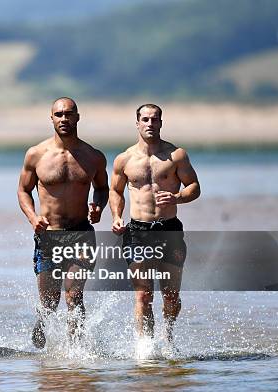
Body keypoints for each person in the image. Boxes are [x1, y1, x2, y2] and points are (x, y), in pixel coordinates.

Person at [18, 97, 109, 348]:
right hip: (48, 235)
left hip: (80, 233)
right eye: (59, 115)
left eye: (69, 114)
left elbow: (102, 188)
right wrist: (33, 217)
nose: (64, 119)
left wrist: (98, 206)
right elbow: (23, 191)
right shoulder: (36, 155)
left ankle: (75, 353)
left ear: (78, 117)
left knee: (73, 294)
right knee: (49, 302)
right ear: (52, 119)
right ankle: (42, 319)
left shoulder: (93, 157)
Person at [109, 103, 200, 343]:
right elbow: (115, 192)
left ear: (161, 122)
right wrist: (117, 217)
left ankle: (167, 337)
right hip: (138, 231)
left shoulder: (176, 155)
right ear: (137, 123)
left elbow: (194, 187)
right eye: (145, 119)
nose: (150, 124)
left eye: (155, 119)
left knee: (171, 295)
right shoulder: (124, 159)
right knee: (143, 295)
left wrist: (177, 197)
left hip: (169, 229)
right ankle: (145, 348)